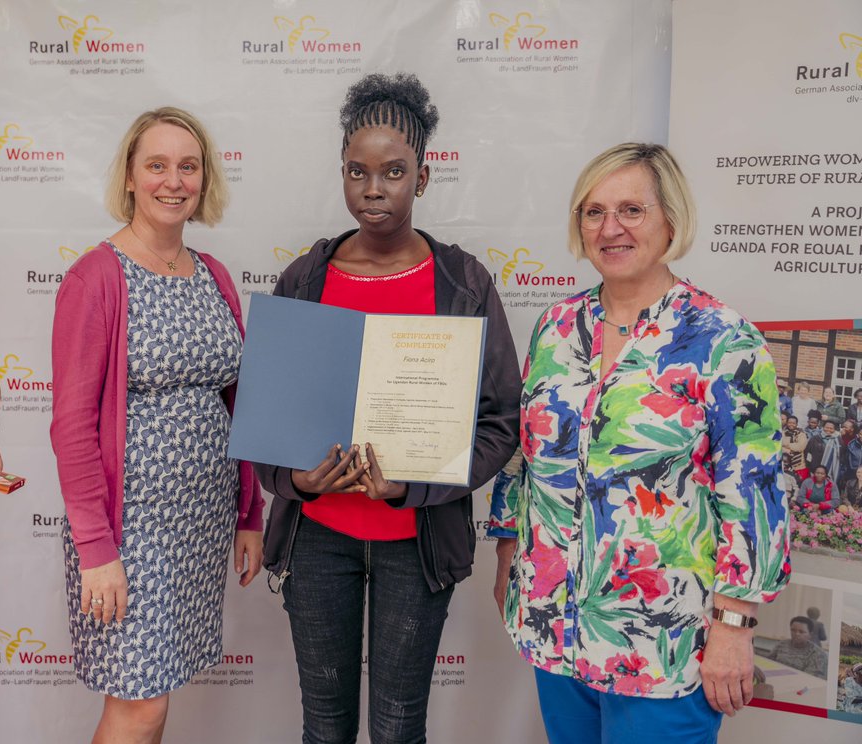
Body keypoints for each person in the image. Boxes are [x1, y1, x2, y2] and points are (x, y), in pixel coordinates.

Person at [488, 143, 790, 743]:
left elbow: (754, 488)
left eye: (631, 210)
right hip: (556, 620)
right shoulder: (555, 326)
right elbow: (525, 455)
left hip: (664, 641)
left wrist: (734, 625)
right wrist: (507, 553)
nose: (610, 228)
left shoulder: (722, 339)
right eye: (593, 212)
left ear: (670, 219)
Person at [254, 73, 521, 744]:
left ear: (423, 177)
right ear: (342, 174)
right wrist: (296, 482)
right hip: (317, 541)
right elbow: (266, 426)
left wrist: (412, 486)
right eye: (358, 171)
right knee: (325, 725)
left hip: (416, 544)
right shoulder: (305, 281)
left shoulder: (461, 283)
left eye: (394, 171)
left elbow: (499, 424)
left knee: (400, 728)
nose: (374, 188)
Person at [50, 107, 265, 743]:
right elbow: (70, 426)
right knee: (138, 706)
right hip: (127, 530)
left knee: (157, 701)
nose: (174, 180)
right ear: (130, 177)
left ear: (205, 180)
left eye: (188, 166)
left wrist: (250, 515)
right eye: (157, 165)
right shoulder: (97, 278)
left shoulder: (213, 275)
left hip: (200, 526)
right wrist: (96, 550)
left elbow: (241, 405)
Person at [782, 415, 810, 483]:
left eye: (793, 423)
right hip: (785, 465)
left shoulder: (801, 434)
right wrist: (787, 450)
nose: (791, 424)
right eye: (789, 422)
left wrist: (786, 444)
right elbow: (778, 445)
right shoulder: (782, 433)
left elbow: (800, 447)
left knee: (799, 484)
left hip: (799, 465)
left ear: (797, 424)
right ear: (787, 423)